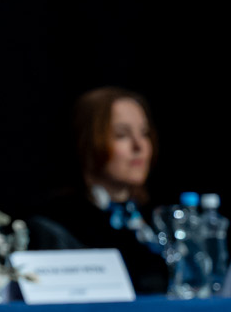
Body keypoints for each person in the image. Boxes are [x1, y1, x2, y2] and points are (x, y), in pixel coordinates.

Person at [28, 87, 168, 295]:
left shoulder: (158, 219)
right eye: (121, 135)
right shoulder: (57, 225)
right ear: (88, 143)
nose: (139, 146)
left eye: (145, 133)